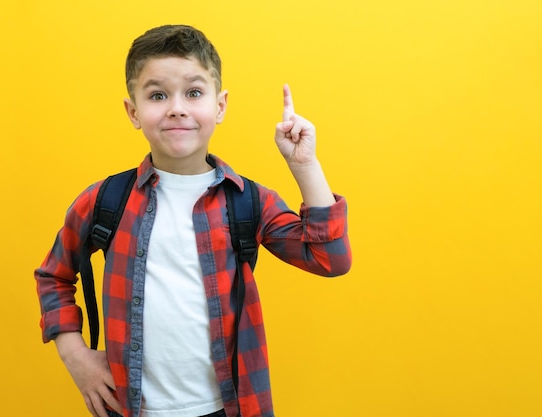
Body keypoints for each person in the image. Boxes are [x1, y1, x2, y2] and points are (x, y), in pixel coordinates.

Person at [35, 24, 351, 417]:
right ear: (133, 112)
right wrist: (75, 356)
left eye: (194, 92)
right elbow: (53, 275)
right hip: (131, 408)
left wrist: (304, 166)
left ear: (220, 106)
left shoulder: (247, 201)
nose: (177, 107)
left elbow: (330, 259)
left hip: (226, 407)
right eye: (157, 95)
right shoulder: (106, 200)